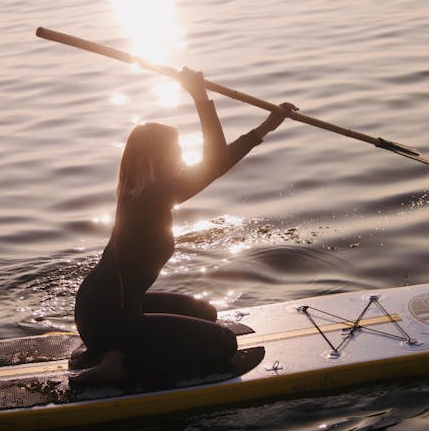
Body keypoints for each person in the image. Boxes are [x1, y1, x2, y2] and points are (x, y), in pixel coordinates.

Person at [70, 68, 297, 386]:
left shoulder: (143, 192)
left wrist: (265, 128)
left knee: (206, 313)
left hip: (97, 309)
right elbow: (215, 163)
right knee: (223, 344)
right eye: (176, 151)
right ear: (158, 159)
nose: (181, 156)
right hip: (110, 320)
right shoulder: (153, 195)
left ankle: (113, 349)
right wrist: (199, 96)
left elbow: (216, 164)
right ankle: (115, 363)